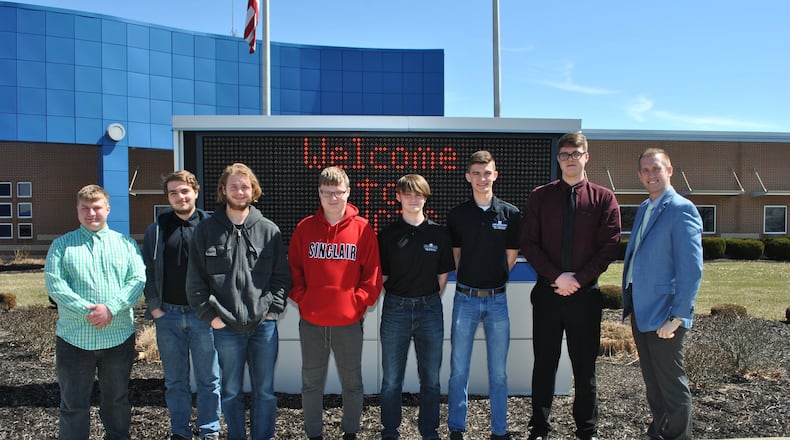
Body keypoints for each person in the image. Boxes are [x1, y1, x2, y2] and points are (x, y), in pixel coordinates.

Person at [520, 132, 621, 440]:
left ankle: (586, 429)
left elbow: (610, 245)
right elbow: (529, 243)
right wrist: (556, 277)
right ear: (558, 159)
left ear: (586, 157)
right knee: (544, 363)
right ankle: (539, 427)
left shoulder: (604, 198)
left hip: (585, 297)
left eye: (575, 154)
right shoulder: (541, 195)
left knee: (584, 367)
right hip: (547, 295)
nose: (569, 159)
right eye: (564, 154)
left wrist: (578, 279)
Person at [187, 163, 291, 440]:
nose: (240, 191)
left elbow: (282, 276)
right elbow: (195, 280)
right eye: (233, 186)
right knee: (231, 392)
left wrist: (273, 310)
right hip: (226, 327)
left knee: (265, 392)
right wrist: (211, 317)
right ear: (224, 190)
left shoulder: (269, 230)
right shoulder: (206, 230)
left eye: (245, 186)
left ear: (253, 190)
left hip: (263, 327)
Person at [288, 166, 383, 440]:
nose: (333, 198)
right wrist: (304, 300)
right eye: (327, 192)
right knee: (311, 384)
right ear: (319, 192)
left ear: (348, 193)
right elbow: (293, 270)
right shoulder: (305, 228)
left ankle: (350, 432)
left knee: (353, 384)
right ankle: (313, 434)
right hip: (312, 322)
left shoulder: (363, 229)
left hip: (348, 323)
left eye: (338, 192)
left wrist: (356, 303)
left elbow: (372, 276)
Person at [44, 184, 146, 440]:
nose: (91, 213)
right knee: (73, 404)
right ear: (77, 210)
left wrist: (110, 309)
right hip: (74, 338)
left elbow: (137, 280)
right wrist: (87, 311)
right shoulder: (61, 245)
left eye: (97, 207)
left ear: (108, 209)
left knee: (116, 401)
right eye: (85, 208)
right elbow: (55, 284)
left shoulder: (126, 244)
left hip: (118, 338)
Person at [622, 148, 703, 440]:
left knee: (671, 386)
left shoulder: (682, 209)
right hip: (642, 311)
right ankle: (659, 432)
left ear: (670, 170)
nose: (650, 175)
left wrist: (678, 315)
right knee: (653, 386)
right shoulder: (646, 207)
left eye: (656, 169)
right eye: (645, 170)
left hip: (666, 315)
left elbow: (691, 269)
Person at [446, 151, 521, 440]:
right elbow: (456, 257)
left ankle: (499, 431)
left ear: (495, 174)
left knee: (499, 373)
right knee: (458, 370)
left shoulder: (510, 214)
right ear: (468, 176)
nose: (481, 178)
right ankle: (456, 428)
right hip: (465, 300)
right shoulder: (457, 215)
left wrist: (491, 279)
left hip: (498, 301)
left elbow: (510, 258)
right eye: (476, 173)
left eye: (486, 172)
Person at [142, 170, 221, 440]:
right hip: (169, 317)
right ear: (168, 197)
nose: (180, 196)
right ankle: (180, 432)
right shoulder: (157, 229)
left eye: (184, 191)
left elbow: (225, 271)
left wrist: (215, 311)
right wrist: (155, 308)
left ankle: (209, 431)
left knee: (209, 381)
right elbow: (148, 272)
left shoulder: (213, 226)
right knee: (175, 382)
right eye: (173, 192)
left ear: (195, 193)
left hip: (204, 317)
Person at [377, 174, 455, 440]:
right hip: (395, 309)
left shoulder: (439, 234)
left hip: (430, 310)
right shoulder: (386, 235)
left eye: (419, 194)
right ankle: (390, 430)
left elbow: (442, 277)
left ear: (425, 197)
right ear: (398, 197)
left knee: (431, 379)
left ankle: (429, 430)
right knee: (391, 380)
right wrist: (402, 297)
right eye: (408, 194)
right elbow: (384, 277)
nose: (413, 199)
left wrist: (423, 297)